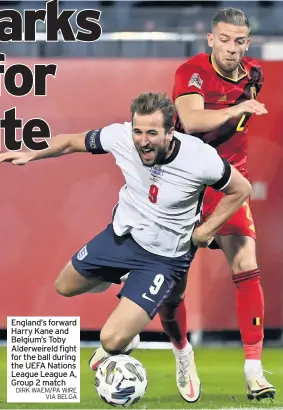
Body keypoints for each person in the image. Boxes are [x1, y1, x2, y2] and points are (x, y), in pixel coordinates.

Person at [0, 92, 251, 403]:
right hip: (123, 236)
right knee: (64, 285)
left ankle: (181, 354)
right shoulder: (120, 137)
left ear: (171, 132)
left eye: (151, 133)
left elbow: (241, 189)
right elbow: (70, 142)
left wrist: (206, 230)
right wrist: (31, 154)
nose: (142, 141)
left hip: (165, 257)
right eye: (138, 131)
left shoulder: (200, 159)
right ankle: (126, 281)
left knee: (113, 338)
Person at [158, 7, 275, 402]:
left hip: (228, 186)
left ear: (247, 43)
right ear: (211, 40)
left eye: (239, 41)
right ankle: (182, 354)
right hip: (184, 185)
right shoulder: (191, 73)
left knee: (247, 266)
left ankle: (254, 371)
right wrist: (237, 109)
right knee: (173, 292)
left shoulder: (253, 74)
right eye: (224, 40)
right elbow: (189, 121)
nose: (231, 48)